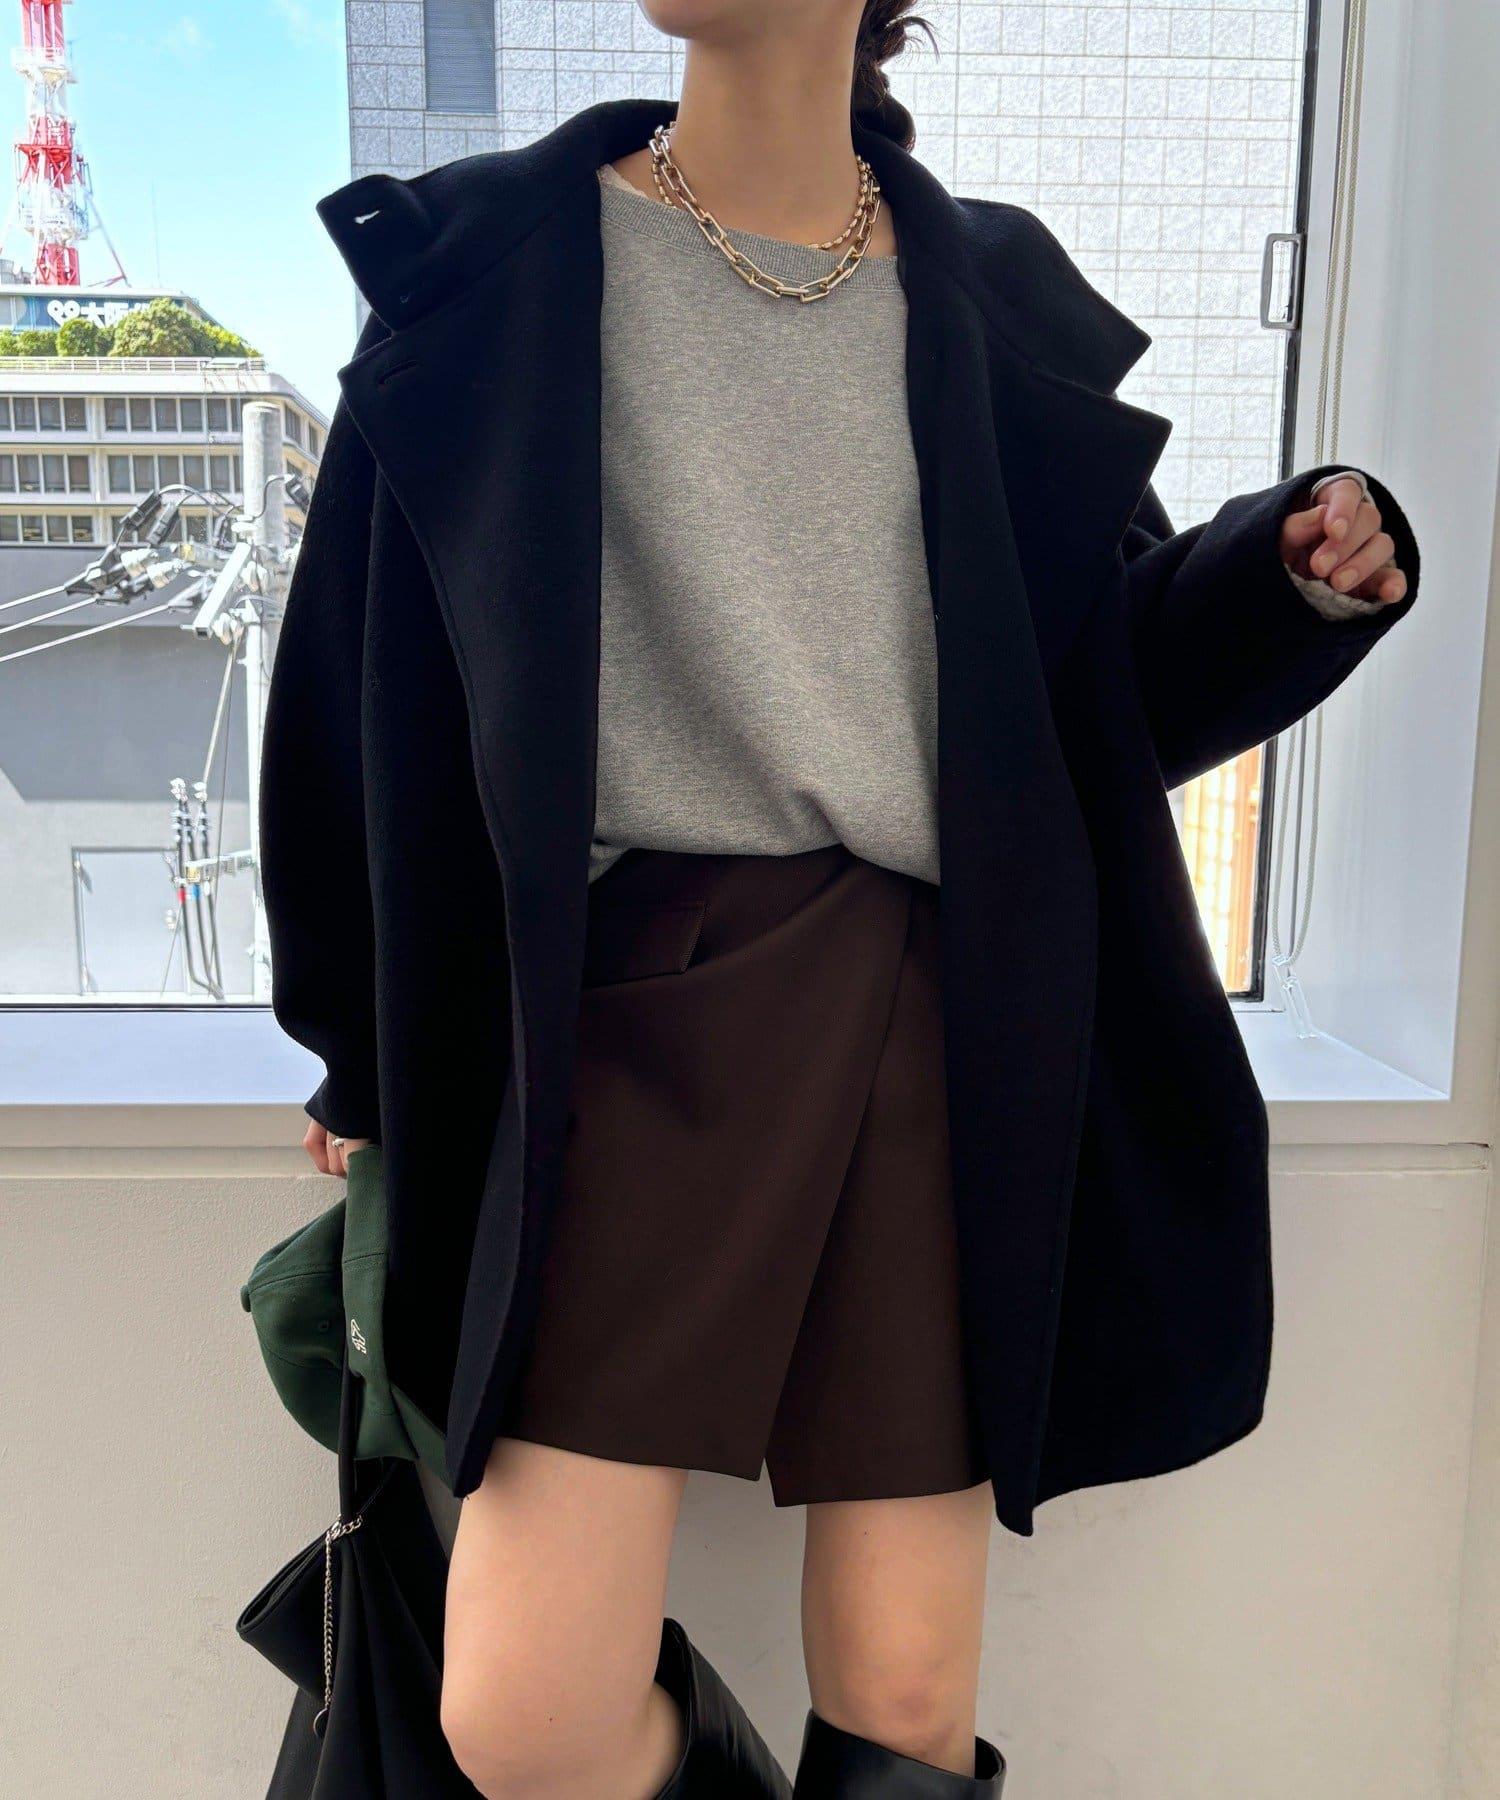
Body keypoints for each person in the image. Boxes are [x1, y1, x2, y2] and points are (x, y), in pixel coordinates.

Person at [260, 2, 1418, 1794]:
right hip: (624, 1022)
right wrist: (357, 1049)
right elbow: (355, 687)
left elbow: (1082, 703)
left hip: (935, 1029)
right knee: (524, 1716)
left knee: (904, 1695)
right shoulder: (491, 259)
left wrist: (1281, 584)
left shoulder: (983, 294)